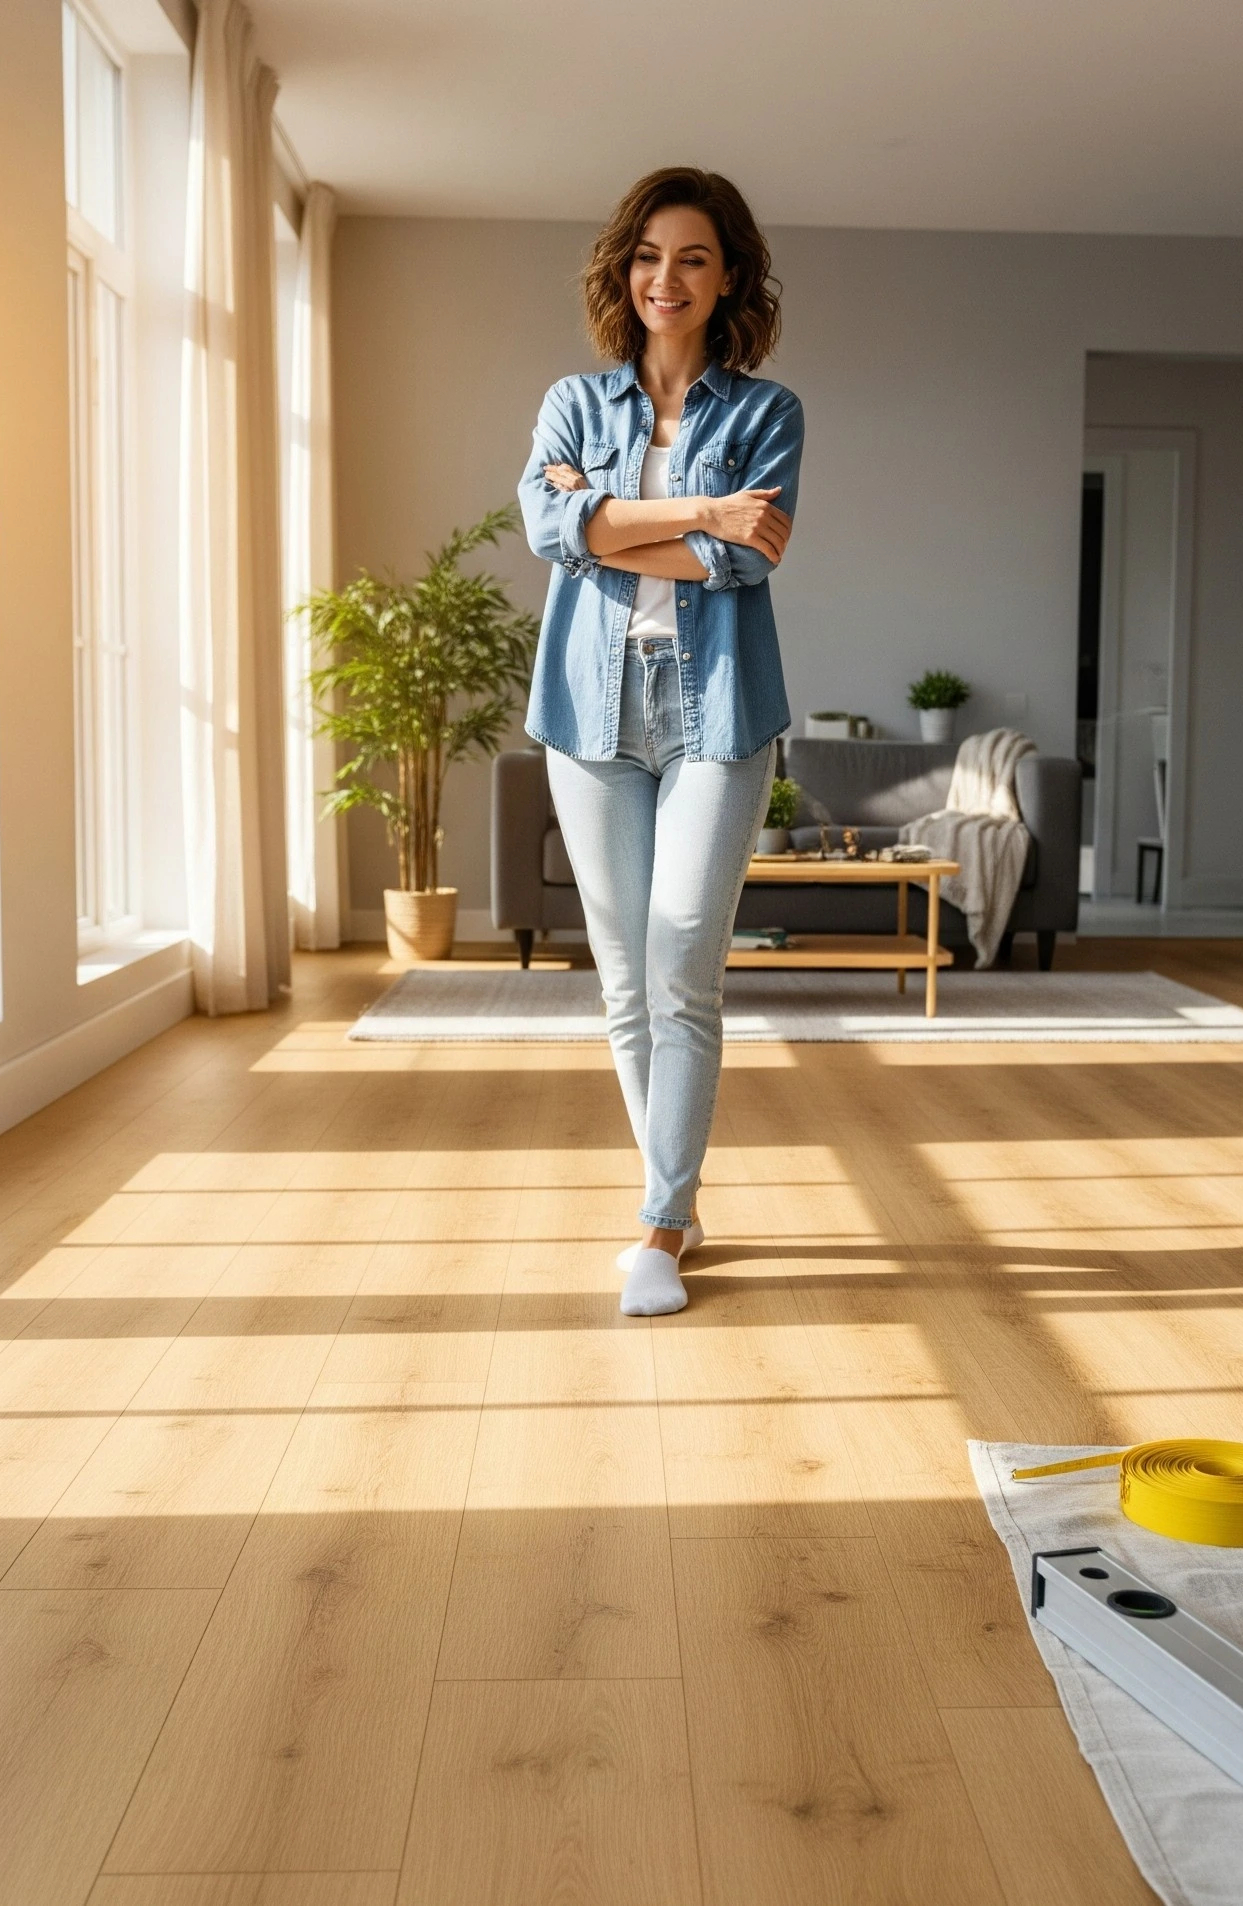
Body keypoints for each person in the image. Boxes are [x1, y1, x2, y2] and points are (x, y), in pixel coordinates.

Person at [518, 167, 804, 1317]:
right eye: (646, 255)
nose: (664, 278)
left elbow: (751, 558)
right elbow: (551, 529)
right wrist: (698, 511)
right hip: (590, 712)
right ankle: (671, 1197)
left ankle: (658, 1225)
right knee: (627, 979)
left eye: (690, 257)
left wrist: (606, 523)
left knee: (683, 958)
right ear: (621, 270)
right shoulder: (570, 406)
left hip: (717, 713)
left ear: (726, 272)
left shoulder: (765, 414)